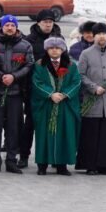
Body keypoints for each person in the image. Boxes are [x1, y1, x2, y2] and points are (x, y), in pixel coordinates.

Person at [0, 14, 33, 174]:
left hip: (15, 93)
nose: (10, 28)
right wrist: (0, 76)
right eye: (7, 25)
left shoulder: (25, 45)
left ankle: (11, 160)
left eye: (13, 25)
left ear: (16, 27)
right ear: (2, 27)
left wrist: (14, 76)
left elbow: (29, 65)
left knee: (14, 128)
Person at [30, 36, 80, 175]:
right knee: (44, 134)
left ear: (62, 50)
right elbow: (36, 81)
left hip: (64, 105)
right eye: (51, 48)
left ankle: (61, 165)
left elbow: (76, 82)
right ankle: (42, 165)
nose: (54, 50)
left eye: (57, 48)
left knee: (64, 134)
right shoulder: (40, 65)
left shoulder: (71, 65)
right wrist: (51, 94)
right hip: (46, 105)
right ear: (46, 50)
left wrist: (64, 94)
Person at [76, 23, 106, 175]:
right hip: (92, 99)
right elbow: (80, 75)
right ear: (93, 36)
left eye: (104, 33)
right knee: (91, 134)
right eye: (98, 34)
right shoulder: (86, 54)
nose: (102, 36)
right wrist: (93, 87)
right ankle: (91, 165)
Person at [19, 9, 62, 168]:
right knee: (30, 124)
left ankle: (54, 157)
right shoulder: (29, 40)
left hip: (55, 90)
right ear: (38, 23)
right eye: (45, 22)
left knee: (53, 124)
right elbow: (26, 65)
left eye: (50, 22)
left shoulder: (59, 39)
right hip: (34, 89)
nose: (48, 24)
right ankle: (24, 156)